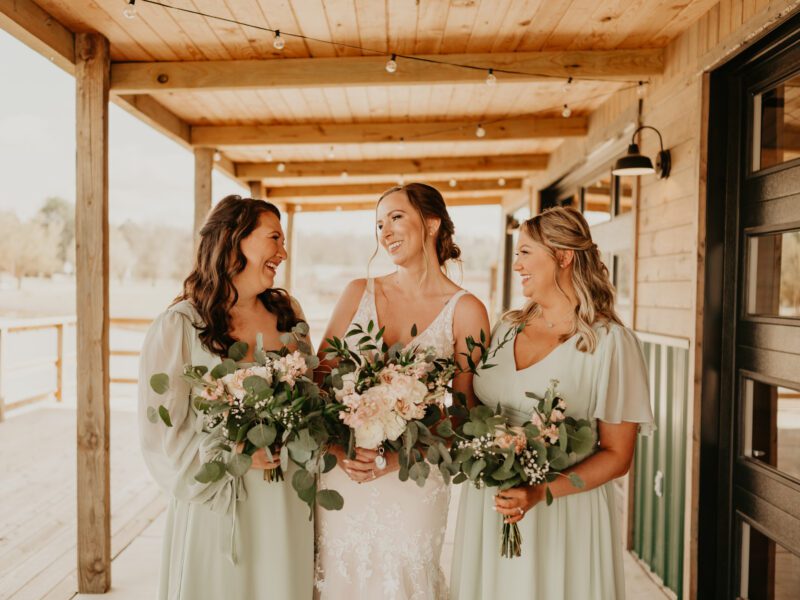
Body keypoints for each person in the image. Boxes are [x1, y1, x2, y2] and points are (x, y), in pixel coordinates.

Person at [450, 206, 654, 600]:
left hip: (562, 509)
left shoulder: (611, 344)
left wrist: (537, 492)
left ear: (563, 256)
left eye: (526, 252)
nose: (516, 264)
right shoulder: (507, 327)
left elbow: (618, 455)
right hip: (491, 501)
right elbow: (471, 406)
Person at [314, 183, 489, 599]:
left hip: (414, 477)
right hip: (346, 471)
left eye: (396, 217)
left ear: (432, 224)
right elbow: (319, 381)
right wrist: (340, 452)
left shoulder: (467, 310)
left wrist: (397, 458)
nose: (385, 231)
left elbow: (464, 413)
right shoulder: (358, 291)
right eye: (379, 223)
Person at [138, 195, 313, 600]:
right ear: (235, 240)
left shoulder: (289, 314)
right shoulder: (180, 325)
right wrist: (231, 454)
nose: (282, 253)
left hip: (284, 496)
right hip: (218, 499)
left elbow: (311, 398)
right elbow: (160, 434)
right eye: (274, 238)